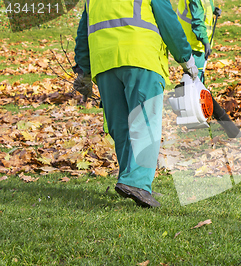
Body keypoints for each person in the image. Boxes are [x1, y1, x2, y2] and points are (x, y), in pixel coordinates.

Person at [73, 0, 199, 207]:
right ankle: (137, 183)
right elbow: (168, 23)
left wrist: (83, 71)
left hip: (105, 63)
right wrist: (186, 58)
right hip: (141, 57)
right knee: (145, 122)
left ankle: (129, 180)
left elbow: (83, 33)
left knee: (120, 125)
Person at [176, 0, 222, 78]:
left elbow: (203, 5)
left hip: (196, 43)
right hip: (193, 44)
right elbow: (197, 22)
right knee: (196, 77)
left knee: (193, 76)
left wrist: (213, 9)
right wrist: (205, 42)